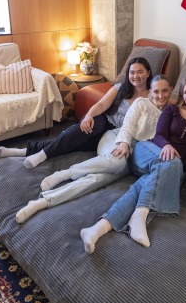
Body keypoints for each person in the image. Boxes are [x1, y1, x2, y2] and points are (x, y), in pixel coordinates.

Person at [78, 74, 186, 253]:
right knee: (171, 163)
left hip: (175, 168)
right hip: (148, 150)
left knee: (145, 184)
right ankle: (140, 215)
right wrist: (166, 145)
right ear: (182, 94)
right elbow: (158, 135)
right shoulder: (172, 110)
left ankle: (96, 229)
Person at [15, 75, 173, 223]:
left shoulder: (171, 113)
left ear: (171, 89)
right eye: (156, 91)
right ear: (150, 91)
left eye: (165, 90)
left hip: (133, 156)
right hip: (116, 139)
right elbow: (127, 126)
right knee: (115, 164)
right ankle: (66, 173)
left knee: (96, 180)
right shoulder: (142, 103)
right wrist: (124, 142)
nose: (160, 95)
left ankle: (43, 201)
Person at [0, 57, 152, 169]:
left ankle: (21, 151)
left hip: (116, 134)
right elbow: (102, 104)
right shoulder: (120, 88)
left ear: (148, 73)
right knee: (83, 130)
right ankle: (42, 155)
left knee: (73, 141)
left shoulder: (152, 97)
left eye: (140, 72)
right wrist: (89, 116)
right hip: (102, 121)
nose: (135, 76)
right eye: (132, 72)